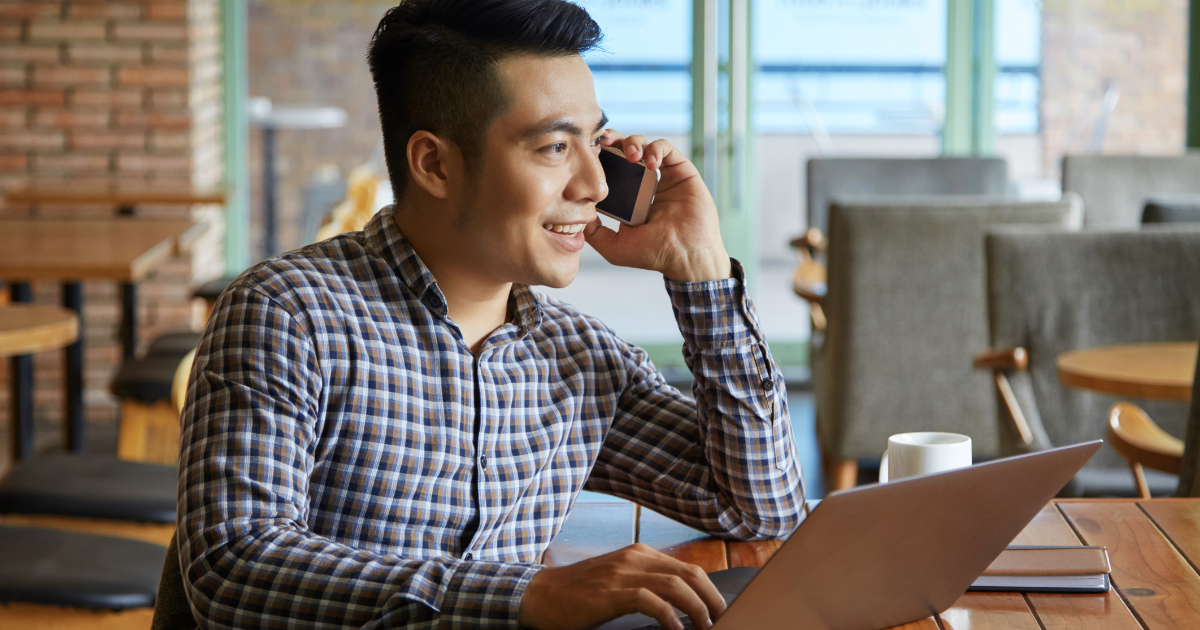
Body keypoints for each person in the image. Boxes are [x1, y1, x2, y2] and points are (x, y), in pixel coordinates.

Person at [176, 1, 805, 628]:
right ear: (434, 164)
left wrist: (702, 273)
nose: (592, 185)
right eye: (556, 147)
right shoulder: (288, 315)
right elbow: (232, 567)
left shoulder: (577, 358)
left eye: (597, 143)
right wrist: (526, 596)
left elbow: (758, 507)